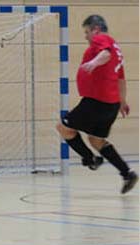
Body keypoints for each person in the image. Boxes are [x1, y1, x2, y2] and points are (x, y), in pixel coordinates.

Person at [56, 15, 138, 194]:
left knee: (64, 128)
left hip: (96, 101)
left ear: (96, 29)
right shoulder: (118, 50)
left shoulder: (103, 40)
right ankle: (127, 173)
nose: (86, 37)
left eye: (87, 32)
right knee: (96, 140)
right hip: (111, 104)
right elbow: (121, 78)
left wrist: (93, 62)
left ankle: (90, 160)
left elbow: (105, 54)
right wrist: (122, 101)